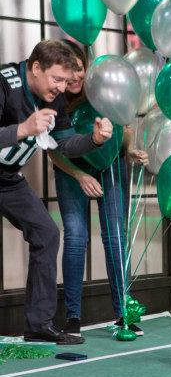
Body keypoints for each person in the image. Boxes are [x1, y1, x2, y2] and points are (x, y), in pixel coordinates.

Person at [0, 40, 113, 344]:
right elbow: (19, 131)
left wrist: (94, 139)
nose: (63, 88)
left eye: (67, 81)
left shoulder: (55, 96)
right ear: (35, 68)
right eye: (57, 79)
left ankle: (38, 325)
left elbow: (64, 144)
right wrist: (22, 129)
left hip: (7, 179)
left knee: (47, 233)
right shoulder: (4, 82)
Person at [49, 40, 149, 337]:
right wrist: (79, 175)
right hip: (72, 169)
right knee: (76, 237)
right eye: (69, 71)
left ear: (87, 66)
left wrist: (130, 149)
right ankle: (73, 318)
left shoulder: (102, 88)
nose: (75, 77)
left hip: (110, 165)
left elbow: (125, 129)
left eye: (79, 68)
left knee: (116, 237)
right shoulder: (55, 99)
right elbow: (52, 149)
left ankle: (124, 314)